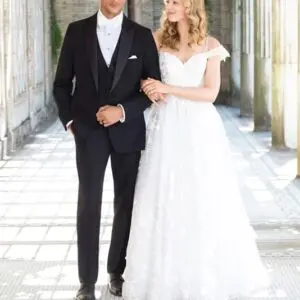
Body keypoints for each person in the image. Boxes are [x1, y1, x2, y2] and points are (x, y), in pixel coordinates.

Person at [122, 0, 270, 299]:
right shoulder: (155, 39)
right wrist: (149, 87)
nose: (168, 6)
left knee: (203, 196)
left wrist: (168, 88)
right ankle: (162, 278)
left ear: (191, 5)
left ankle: (204, 277)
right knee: (163, 193)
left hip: (201, 129)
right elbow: (138, 78)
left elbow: (210, 93)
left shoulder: (211, 45)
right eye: (166, 2)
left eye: (174, 1)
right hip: (165, 127)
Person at [52, 0, 161, 298]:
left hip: (127, 131)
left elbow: (153, 87)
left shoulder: (141, 36)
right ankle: (86, 282)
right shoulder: (77, 32)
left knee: (125, 203)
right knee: (89, 203)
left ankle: (117, 272)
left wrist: (122, 111)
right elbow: (61, 84)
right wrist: (71, 121)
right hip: (88, 132)